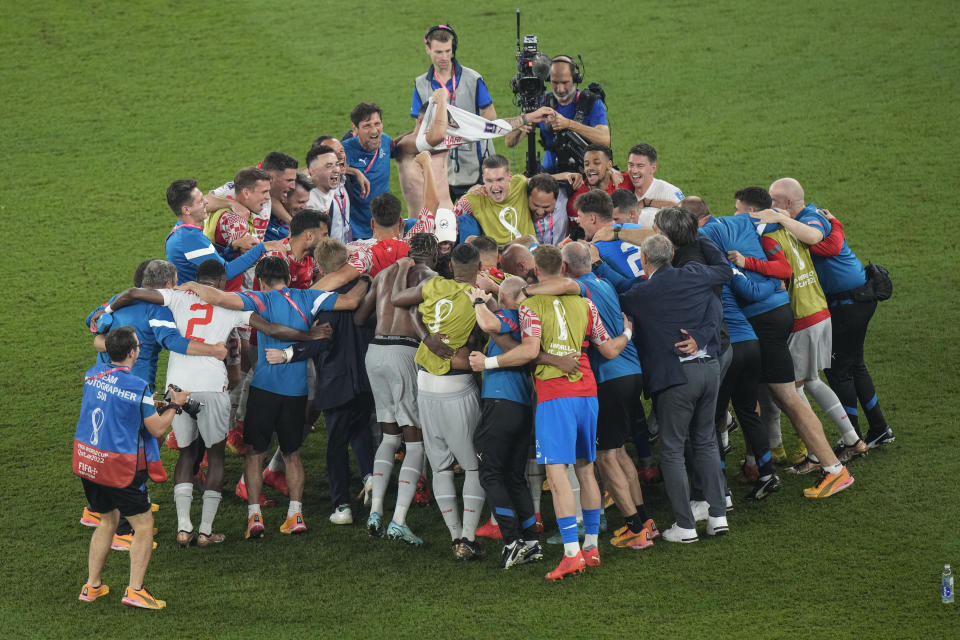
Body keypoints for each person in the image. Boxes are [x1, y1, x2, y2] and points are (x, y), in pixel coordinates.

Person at [104, 260, 328, 547]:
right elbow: (272, 329)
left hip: (178, 387)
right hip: (213, 386)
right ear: (222, 283)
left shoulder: (178, 295)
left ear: (196, 281)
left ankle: (184, 528)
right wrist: (309, 335)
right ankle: (206, 532)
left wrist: (107, 310)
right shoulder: (232, 306)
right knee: (216, 456)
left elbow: (134, 294)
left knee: (186, 454)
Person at [177, 256, 368, 539]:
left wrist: (192, 284)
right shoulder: (309, 296)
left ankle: (255, 517)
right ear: (288, 278)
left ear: (262, 281)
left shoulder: (258, 299)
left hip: (264, 388)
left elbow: (218, 297)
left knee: (255, 452)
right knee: (292, 453)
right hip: (297, 391)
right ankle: (296, 515)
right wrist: (365, 277)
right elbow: (352, 300)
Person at [478, 245, 630, 580]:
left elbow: (530, 351)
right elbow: (608, 348)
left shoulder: (530, 306)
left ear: (535, 272)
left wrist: (488, 360)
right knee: (586, 470)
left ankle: (570, 554)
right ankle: (591, 547)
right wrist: (628, 332)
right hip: (587, 393)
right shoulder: (586, 304)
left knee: (557, 474)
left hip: (555, 396)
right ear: (563, 266)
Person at [698, 203, 855, 498]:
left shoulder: (708, 234)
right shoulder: (747, 221)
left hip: (764, 320)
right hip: (780, 312)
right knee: (761, 395)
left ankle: (834, 469)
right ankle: (759, 465)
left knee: (787, 396)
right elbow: (786, 255)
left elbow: (747, 289)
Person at [729, 187, 866, 467]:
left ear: (753, 212)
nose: (734, 216)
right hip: (819, 308)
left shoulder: (766, 236)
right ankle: (850, 438)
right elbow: (828, 244)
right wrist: (837, 224)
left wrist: (746, 262)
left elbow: (784, 271)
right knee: (811, 380)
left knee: (791, 388)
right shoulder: (793, 227)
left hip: (801, 316)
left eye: (738, 210)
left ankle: (819, 454)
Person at [761, 177, 894, 449]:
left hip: (849, 303)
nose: (770, 206)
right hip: (854, 299)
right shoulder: (814, 218)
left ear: (787, 203)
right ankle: (879, 428)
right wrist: (837, 225)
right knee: (854, 365)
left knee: (838, 370)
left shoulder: (810, 219)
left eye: (774, 201)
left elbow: (825, 243)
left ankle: (852, 438)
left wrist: (784, 220)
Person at [619, 234, 731, 543]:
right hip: (710, 369)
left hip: (675, 377)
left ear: (644, 261)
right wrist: (703, 337)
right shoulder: (697, 276)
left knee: (671, 449)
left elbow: (619, 294)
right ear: (671, 254)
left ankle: (685, 526)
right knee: (707, 441)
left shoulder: (643, 292)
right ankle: (718, 515)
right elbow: (715, 306)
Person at [74, 326, 189, 610]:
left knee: (107, 521)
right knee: (143, 524)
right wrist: (174, 405)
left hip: (90, 461)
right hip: (119, 468)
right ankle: (135, 591)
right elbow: (157, 427)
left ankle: (92, 586)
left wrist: (152, 404)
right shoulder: (138, 387)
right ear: (133, 352)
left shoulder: (91, 375)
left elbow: (114, 405)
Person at [265, 238, 376, 526]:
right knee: (362, 429)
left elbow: (319, 342)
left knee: (336, 446)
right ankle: (371, 477)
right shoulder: (367, 292)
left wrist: (287, 354)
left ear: (320, 269)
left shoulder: (324, 304)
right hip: (366, 379)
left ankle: (342, 507)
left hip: (337, 382)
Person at [390, 244, 487, 560]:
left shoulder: (433, 285)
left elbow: (398, 301)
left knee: (440, 464)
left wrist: (426, 335)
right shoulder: (479, 299)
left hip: (425, 386)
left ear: (451, 267)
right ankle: (468, 538)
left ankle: (454, 534)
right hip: (456, 387)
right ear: (479, 266)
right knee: (473, 465)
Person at [354, 233, 442, 545]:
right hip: (405, 354)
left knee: (389, 435)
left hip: (375, 352)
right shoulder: (428, 277)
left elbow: (360, 316)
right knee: (415, 440)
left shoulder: (383, 274)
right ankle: (399, 520)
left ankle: (375, 510)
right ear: (432, 255)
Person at [412, 24, 496, 200]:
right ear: (427, 49)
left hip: (477, 165)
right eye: (438, 52)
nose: (444, 57)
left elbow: (490, 117)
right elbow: (419, 128)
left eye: (447, 51)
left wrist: (461, 131)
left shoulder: (473, 79)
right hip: (441, 168)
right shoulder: (420, 85)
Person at [164, 178, 280, 285]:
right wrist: (262, 247)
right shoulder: (189, 237)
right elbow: (224, 273)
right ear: (186, 210)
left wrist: (232, 247)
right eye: (200, 201)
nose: (206, 202)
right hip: (196, 302)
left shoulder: (185, 231)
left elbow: (212, 262)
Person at [505, 56, 610, 173]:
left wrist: (568, 124)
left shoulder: (591, 102)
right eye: (555, 83)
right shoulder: (542, 103)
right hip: (550, 174)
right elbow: (509, 142)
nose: (560, 89)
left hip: (585, 172)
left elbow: (604, 139)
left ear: (575, 79)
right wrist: (523, 122)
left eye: (565, 83)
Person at [204, 152, 300, 235]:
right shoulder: (240, 187)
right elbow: (205, 201)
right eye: (289, 180)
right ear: (272, 178)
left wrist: (292, 222)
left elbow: (273, 200)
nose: (293, 186)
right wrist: (232, 204)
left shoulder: (267, 196)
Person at [343, 102, 393, 240]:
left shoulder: (386, 141)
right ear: (355, 128)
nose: (374, 131)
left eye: (377, 124)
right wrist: (355, 172)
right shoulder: (344, 150)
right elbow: (321, 171)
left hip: (384, 227)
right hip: (356, 232)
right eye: (367, 126)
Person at [623, 143, 684, 227]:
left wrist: (649, 202)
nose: (634, 170)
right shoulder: (624, 190)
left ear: (653, 168)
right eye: (631, 165)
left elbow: (686, 215)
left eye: (640, 166)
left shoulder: (670, 192)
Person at [566, 144, 628, 219]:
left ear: (609, 165)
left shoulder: (624, 180)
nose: (590, 168)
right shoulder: (577, 203)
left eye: (596, 163)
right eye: (586, 164)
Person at [306, 144, 352, 244]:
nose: (336, 169)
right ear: (312, 171)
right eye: (329, 166)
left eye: (336, 164)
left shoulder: (334, 186)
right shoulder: (307, 201)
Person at [265, 173, 313, 242]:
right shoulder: (264, 216)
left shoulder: (301, 220)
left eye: (306, 202)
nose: (304, 207)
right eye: (300, 202)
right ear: (284, 196)